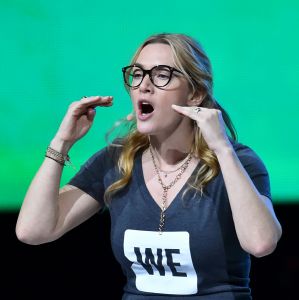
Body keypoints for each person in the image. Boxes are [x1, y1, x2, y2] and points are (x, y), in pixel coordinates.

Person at [16, 33, 282, 299]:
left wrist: (222, 149)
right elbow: (33, 231)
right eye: (138, 74)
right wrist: (61, 143)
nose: (144, 85)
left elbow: (261, 243)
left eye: (162, 75)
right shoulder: (116, 160)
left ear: (196, 93)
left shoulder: (238, 161)